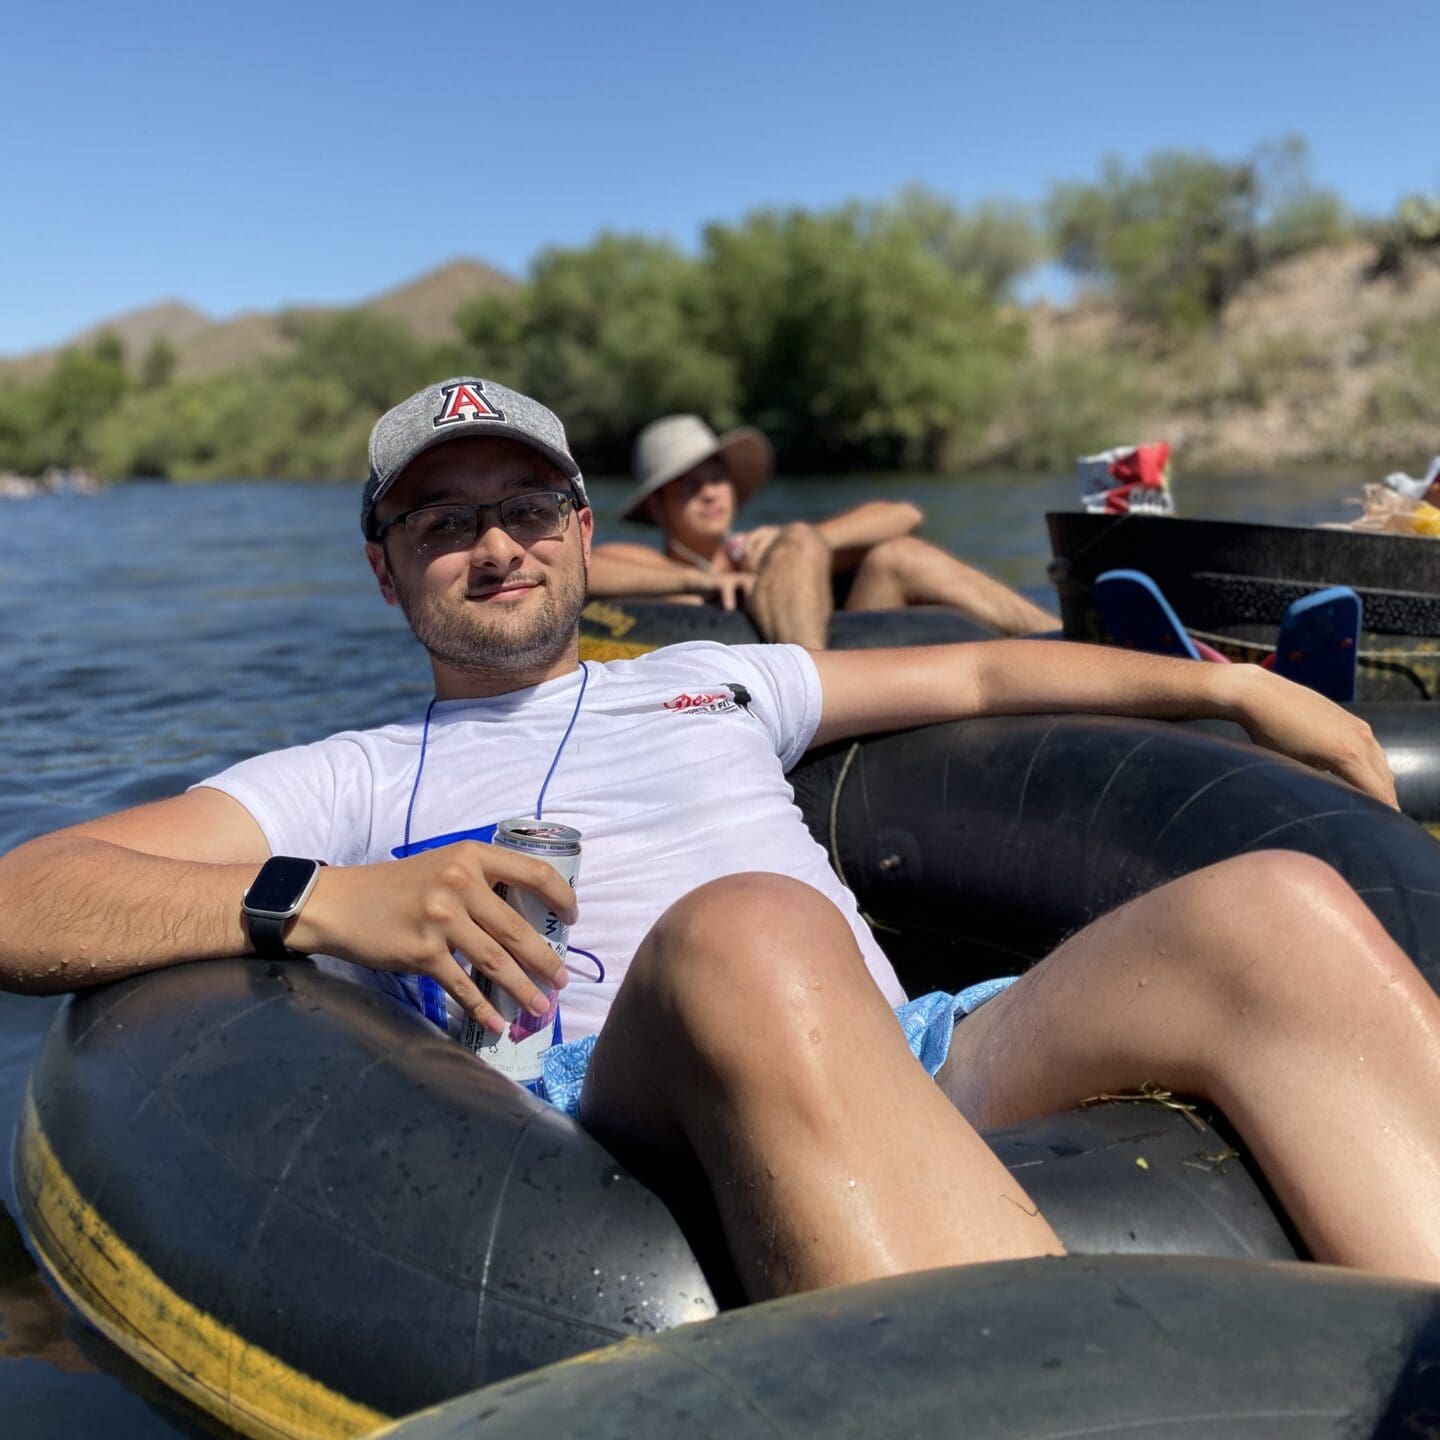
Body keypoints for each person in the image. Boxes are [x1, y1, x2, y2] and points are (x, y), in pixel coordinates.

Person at [1, 376, 1436, 1303]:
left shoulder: (719, 678)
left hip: (908, 1048)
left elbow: (984, 673)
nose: (494, 544)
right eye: (442, 522)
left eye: (525, 508)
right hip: (623, 1117)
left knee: (1278, 905)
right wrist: (330, 902)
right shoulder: (354, 776)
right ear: (384, 572)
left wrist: (1240, 693)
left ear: (579, 533)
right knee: (757, 930)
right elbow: (28, 894)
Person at [587, 414, 1058, 647]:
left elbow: (904, 515)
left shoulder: (773, 548)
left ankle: (1067, 638)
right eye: (689, 486)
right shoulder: (653, 566)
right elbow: (589, 570)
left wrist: (799, 544)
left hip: (846, 664)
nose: (710, 494)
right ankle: (814, 692)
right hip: (770, 693)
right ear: (657, 505)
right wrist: (703, 580)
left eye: (717, 479)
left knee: (897, 556)